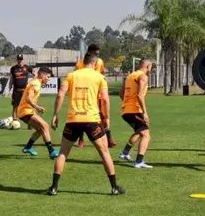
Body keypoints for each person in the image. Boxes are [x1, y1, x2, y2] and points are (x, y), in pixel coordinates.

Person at [48, 53, 125, 196]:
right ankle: (114, 187)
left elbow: (60, 95)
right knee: (104, 153)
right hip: (92, 120)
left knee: (63, 153)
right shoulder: (99, 77)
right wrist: (107, 118)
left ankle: (54, 187)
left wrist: (55, 115)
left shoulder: (71, 76)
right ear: (95, 64)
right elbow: (106, 99)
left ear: (83, 63)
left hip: (73, 120)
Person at [74, 44, 116, 148]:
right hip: (85, 94)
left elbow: (102, 75)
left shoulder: (100, 62)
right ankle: (81, 139)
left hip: (97, 92)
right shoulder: (79, 64)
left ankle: (108, 137)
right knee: (82, 114)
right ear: (90, 52)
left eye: (98, 53)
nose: (98, 55)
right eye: (96, 53)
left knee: (102, 114)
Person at [17, 67, 59, 159]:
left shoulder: (36, 81)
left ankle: (28, 147)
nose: (48, 79)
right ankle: (51, 151)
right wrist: (37, 107)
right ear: (42, 75)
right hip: (25, 111)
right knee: (45, 126)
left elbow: (36, 76)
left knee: (41, 130)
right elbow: (29, 98)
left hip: (26, 111)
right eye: (47, 77)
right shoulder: (35, 84)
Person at [119, 59, 154, 169]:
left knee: (140, 132)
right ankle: (139, 162)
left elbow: (121, 93)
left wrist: (127, 102)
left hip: (126, 111)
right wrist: (145, 113)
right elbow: (139, 95)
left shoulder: (130, 76)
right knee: (146, 135)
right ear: (147, 66)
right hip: (135, 110)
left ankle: (124, 153)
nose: (151, 70)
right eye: (151, 67)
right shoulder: (143, 76)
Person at [8, 54, 32, 119]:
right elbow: (11, 79)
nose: (20, 61)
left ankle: (30, 124)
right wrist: (9, 87)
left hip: (25, 91)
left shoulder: (27, 67)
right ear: (17, 60)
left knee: (28, 106)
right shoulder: (13, 68)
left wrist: (33, 83)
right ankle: (14, 121)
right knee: (15, 106)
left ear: (22, 60)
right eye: (18, 59)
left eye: (21, 59)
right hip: (16, 91)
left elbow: (34, 73)